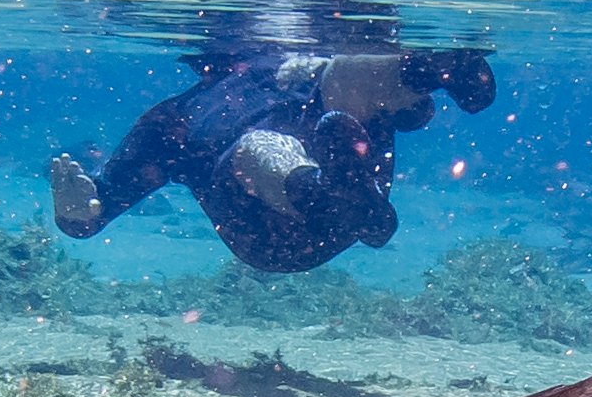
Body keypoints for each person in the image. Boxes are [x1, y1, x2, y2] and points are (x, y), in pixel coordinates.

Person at [49, 45, 496, 272]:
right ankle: (327, 197)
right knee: (258, 148)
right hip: (270, 234)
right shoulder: (178, 118)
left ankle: (442, 71)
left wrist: (416, 89)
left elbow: (408, 111)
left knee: (344, 73)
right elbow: (98, 208)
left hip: (349, 179)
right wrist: (80, 213)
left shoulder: (298, 74)